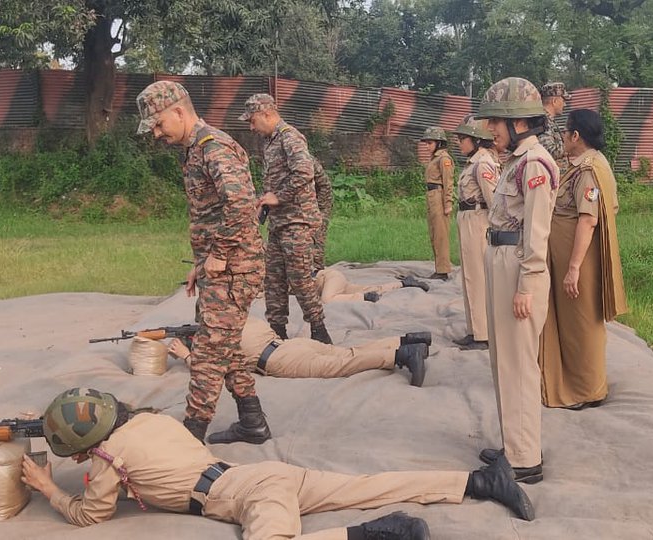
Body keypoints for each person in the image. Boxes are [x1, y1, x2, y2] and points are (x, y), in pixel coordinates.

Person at [21, 388, 535, 540]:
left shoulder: (111, 458)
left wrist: (49, 488)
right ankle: (479, 481)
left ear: (87, 446)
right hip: (266, 476)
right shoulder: (150, 421)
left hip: (244, 496)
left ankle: (381, 532)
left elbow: (92, 514)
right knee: (372, 483)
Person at [135, 81, 268, 445]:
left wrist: (220, 255)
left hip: (234, 268)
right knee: (225, 346)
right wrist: (203, 261)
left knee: (208, 353)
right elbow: (215, 212)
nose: (157, 134)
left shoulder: (214, 148)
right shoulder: (194, 150)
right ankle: (252, 421)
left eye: (159, 124)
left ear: (179, 111)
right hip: (221, 265)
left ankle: (189, 442)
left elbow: (242, 206)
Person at [472, 77, 557, 484]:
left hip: (519, 264)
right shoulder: (517, 161)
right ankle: (514, 444)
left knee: (519, 363)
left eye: (496, 123)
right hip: (501, 257)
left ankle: (525, 458)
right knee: (503, 359)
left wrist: (527, 284)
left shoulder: (535, 165)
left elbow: (537, 232)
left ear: (519, 123)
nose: (490, 130)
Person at [537, 109, 628, 410]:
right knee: (573, 322)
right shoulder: (586, 166)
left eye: (565, 133)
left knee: (581, 325)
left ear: (576, 136)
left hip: (580, 261)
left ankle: (586, 390)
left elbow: (587, 221)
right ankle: (574, 384)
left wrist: (573, 268)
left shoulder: (588, 170)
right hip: (572, 259)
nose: (562, 138)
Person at [241, 93, 332, 345]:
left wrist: (278, 197)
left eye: (252, 120)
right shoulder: (270, 141)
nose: (251, 127)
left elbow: (304, 171)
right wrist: (266, 207)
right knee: (273, 279)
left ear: (267, 114)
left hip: (298, 222)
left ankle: (319, 330)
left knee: (300, 278)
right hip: (279, 223)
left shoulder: (290, 137)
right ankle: (277, 330)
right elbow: (275, 182)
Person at [168, 319, 431, 386]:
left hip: (278, 360)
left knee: (343, 364)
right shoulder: (244, 320)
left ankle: (401, 355)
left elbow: (210, 371)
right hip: (292, 344)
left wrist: (186, 355)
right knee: (347, 350)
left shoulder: (217, 338)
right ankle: (407, 340)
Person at [452, 115, 499, 351]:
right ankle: (474, 329)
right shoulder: (473, 162)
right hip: (467, 218)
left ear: (476, 140)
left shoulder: (483, 164)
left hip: (478, 221)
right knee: (469, 276)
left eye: (463, 139)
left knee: (478, 277)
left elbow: (494, 201)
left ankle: (482, 334)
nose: (460, 143)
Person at [420, 127, 454, 280]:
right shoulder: (434, 158)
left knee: (441, 234)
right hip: (431, 195)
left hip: (439, 196)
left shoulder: (444, 159)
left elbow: (448, 182)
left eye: (430, 142)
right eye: (426, 143)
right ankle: (438, 268)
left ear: (439, 143)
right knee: (434, 233)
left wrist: (448, 203)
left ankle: (443, 270)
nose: (427, 146)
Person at [315, 266, 430, 303]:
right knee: (370, 289)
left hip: (330, 278)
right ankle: (404, 284)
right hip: (334, 284)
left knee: (327, 299)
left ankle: (364, 297)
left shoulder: (299, 271)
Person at [538, 82, 569, 168]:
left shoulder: (548, 120)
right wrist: (571, 145)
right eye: (563, 100)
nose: (565, 104)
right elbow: (547, 150)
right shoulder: (542, 121)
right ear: (554, 101)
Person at [312, 158, 334, 273]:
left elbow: (324, 185)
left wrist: (318, 208)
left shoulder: (306, 160)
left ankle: (317, 270)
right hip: (306, 202)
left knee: (318, 235)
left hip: (321, 202)